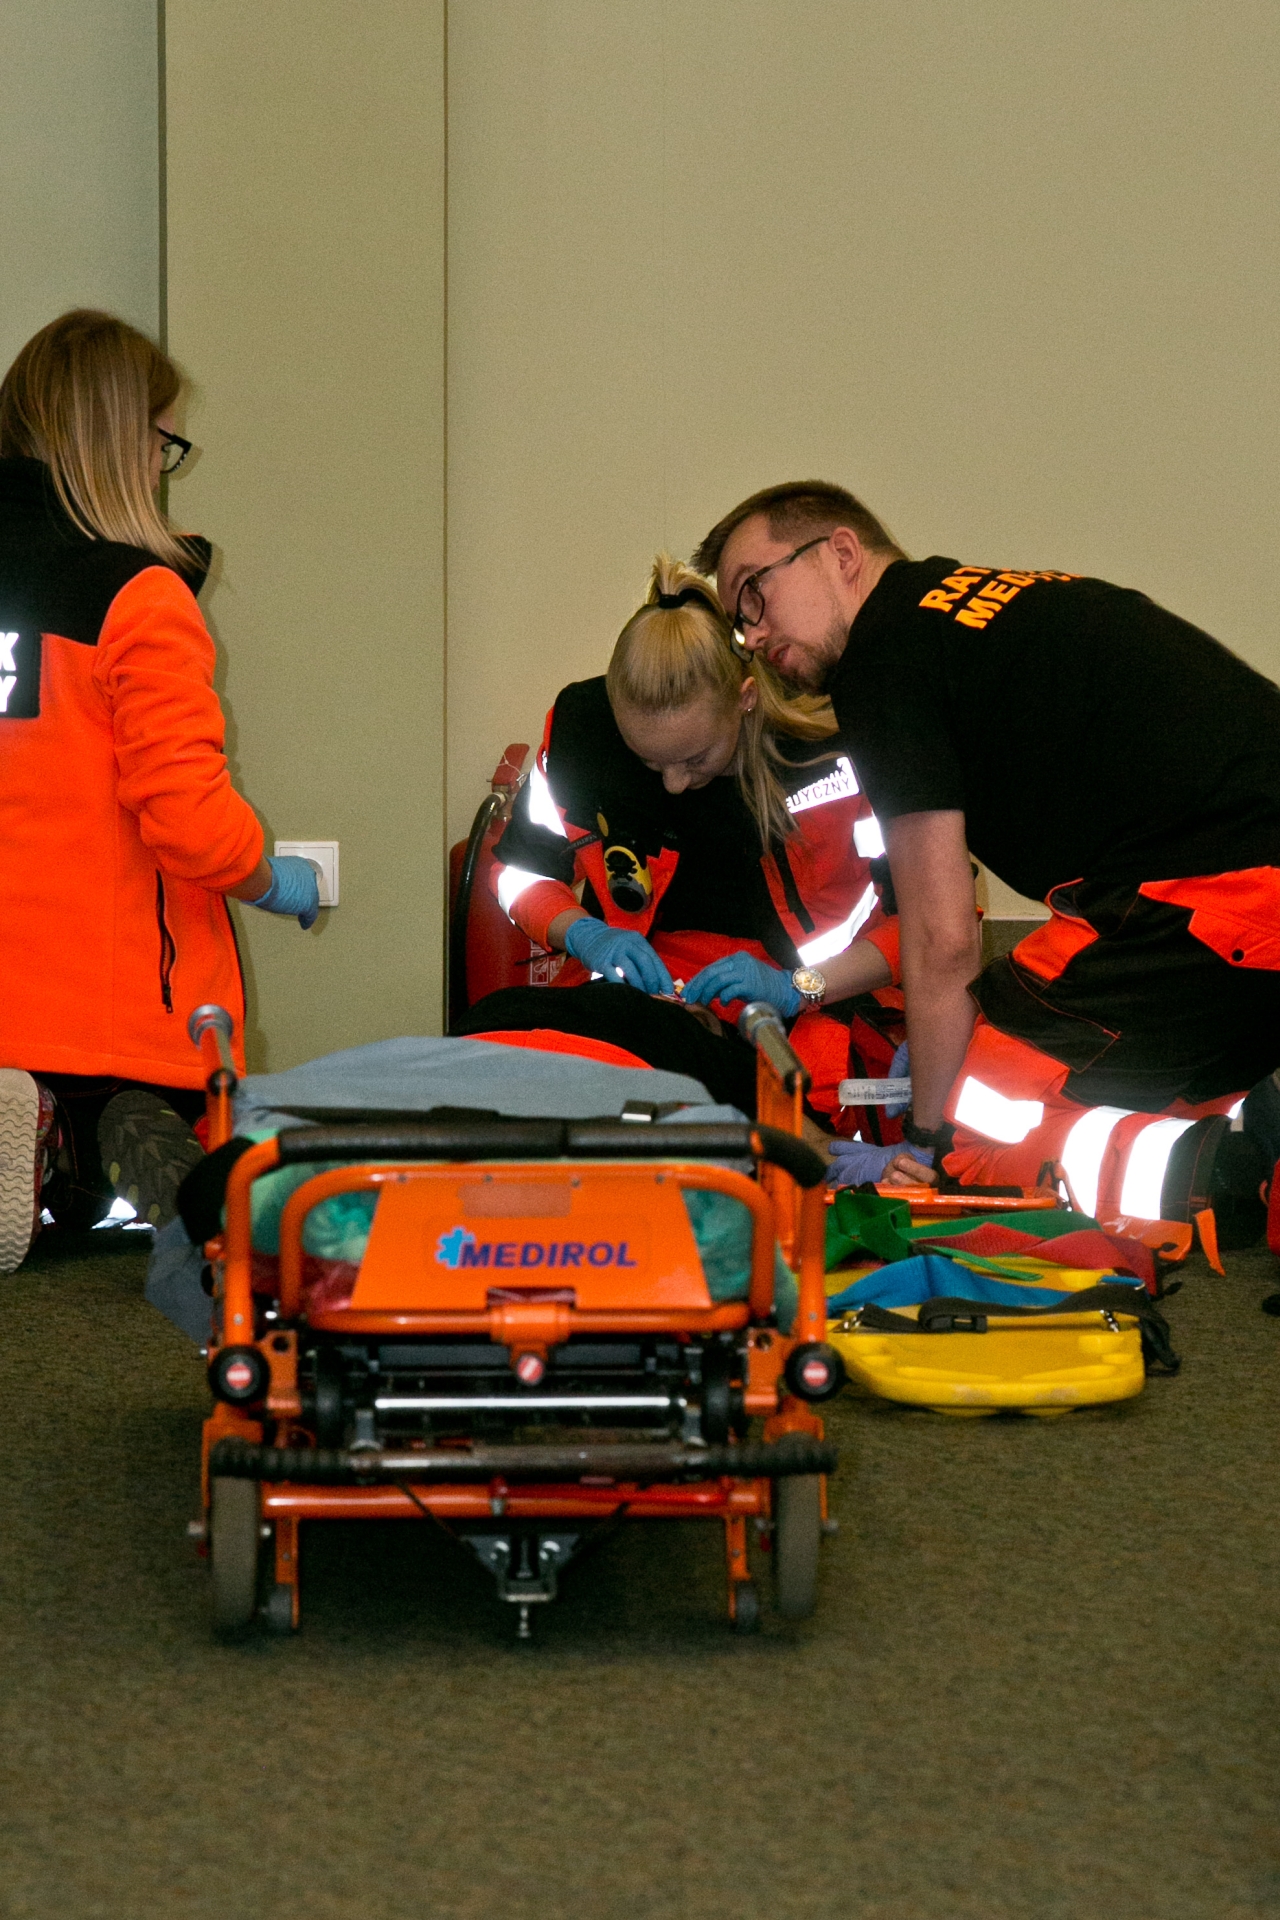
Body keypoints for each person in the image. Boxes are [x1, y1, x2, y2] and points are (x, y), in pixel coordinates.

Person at [692, 479, 1280, 1217]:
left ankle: (1231, 1179)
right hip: (1229, 903)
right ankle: (1249, 1127)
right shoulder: (977, 614)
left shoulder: (884, 657)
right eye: (737, 621)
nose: (750, 635)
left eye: (755, 593)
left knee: (980, 1130)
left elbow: (942, 943)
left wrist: (927, 1139)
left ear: (841, 553)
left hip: (1218, 897)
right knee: (1078, 1074)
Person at [0, 309, 320, 1270]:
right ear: (114, 437)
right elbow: (186, 818)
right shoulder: (137, 596)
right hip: (108, 1012)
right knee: (186, 1174)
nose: (159, 467)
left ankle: (30, 1141)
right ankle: (74, 1171)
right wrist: (268, 876)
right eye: (162, 442)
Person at [479, 552, 928, 1171]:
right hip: (614, 1011)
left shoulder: (843, 750)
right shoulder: (584, 734)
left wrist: (802, 987)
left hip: (798, 1017)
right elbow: (518, 874)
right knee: (497, 1034)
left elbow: (932, 924)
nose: (671, 784)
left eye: (694, 759)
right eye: (648, 761)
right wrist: (583, 934)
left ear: (746, 699)